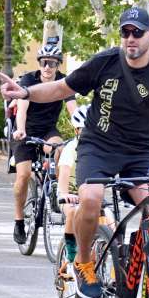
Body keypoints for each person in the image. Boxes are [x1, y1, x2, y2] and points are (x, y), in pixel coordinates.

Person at [0, 7, 149, 298]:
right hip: (98, 147)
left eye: (137, 32)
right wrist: (26, 93)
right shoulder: (105, 62)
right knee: (90, 199)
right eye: (125, 32)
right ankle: (84, 263)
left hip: (139, 152)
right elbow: (61, 88)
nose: (130, 38)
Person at [10, 42, 78, 245]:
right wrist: (20, 129)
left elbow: (73, 109)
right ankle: (19, 220)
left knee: (59, 148)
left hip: (48, 131)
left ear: (58, 65)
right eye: (44, 63)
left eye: (53, 64)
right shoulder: (28, 80)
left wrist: (82, 129)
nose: (48, 67)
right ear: (39, 63)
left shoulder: (63, 82)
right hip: (25, 132)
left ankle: (57, 191)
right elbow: (21, 110)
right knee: (23, 175)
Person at [54, 104, 89, 277]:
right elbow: (64, 176)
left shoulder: (100, 150)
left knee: (110, 220)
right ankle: (70, 253)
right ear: (76, 130)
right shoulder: (70, 149)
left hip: (89, 197)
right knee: (74, 213)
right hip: (69, 195)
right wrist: (65, 193)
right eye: (83, 130)